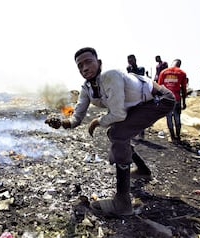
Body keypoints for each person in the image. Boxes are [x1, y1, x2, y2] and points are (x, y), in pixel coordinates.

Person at [45, 47, 175, 217]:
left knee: (117, 134)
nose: (84, 68)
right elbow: (76, 118)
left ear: (99, 63)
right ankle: (143, 170)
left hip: (160, 99)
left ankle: (123, 203)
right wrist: (61, 123)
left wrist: (97, 121)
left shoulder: (110, 76)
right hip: (139, 104)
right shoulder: (87, 88)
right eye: (80, 66)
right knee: (117, 133)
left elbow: (118, 114)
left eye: (88, 62)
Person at [158, 59, 187, 144]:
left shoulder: (163, 72)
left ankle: (172, 137)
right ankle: (178, 136)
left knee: (169, 117)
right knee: (177, 117)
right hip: (177, 98)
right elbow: (184, 89)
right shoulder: (182, 73)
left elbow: (159, 87)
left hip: (167, 99)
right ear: (179, 64)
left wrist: (160, 99)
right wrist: (184, 101)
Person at [126, 54, 146, 139]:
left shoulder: (141, 69)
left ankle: (141, 134)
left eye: (131, 60)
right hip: (131, 93)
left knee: (140, 115)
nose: (130, 62)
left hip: (140, 93)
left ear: (135, 60)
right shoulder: (128, 68)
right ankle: (133, 133)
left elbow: (139, 78)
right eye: (129, 60)